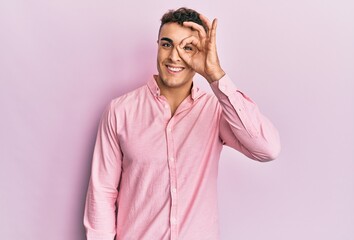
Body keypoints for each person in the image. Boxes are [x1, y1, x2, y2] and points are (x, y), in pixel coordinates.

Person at [84, 7, 281, 240]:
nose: (175, 57)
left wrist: (215, 75)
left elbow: (267, 149)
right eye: (167, 44)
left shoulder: (216, 111)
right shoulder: (120, 111)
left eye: (188, 48)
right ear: (157, 45)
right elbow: (102, 194)